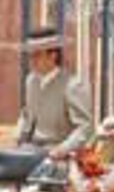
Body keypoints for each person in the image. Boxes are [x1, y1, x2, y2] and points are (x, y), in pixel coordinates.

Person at [15, 27, 94, 158]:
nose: (32, 60)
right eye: (30, 55)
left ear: (53, 55)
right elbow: (27, 114)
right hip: (30, 151)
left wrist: (62, 149)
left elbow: (84, 128)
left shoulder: (73, 85)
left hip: (59, 156)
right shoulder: (31, 81)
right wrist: (18, 136)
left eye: (37, 55)